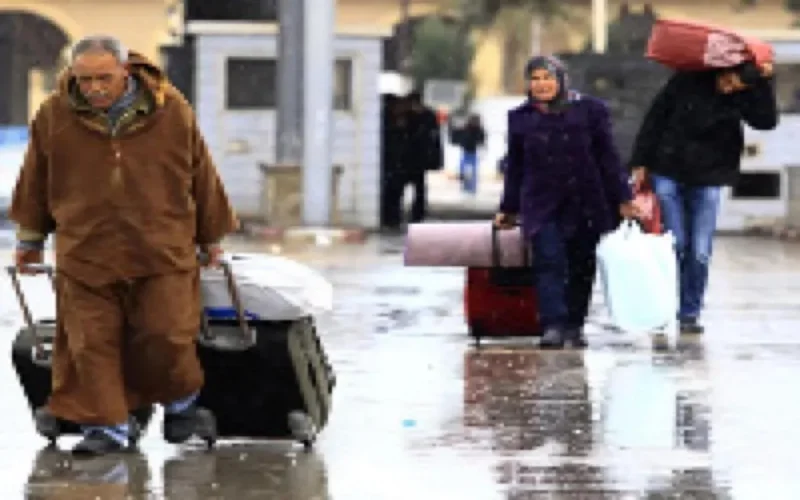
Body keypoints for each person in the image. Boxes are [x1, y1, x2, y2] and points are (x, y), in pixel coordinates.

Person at [9, 35, 239, 456]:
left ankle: (180, 401)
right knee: (90, 342)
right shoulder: (55, 115)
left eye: (104, 79)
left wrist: (210, 236)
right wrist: (29, 240)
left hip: (161, 248)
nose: (94, 88)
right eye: (85, 80)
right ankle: (109, 428)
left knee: (165, 333)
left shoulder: (171, 110)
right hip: (86, 251)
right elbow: (36, 178)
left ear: (125, 72)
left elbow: (200, 173)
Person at [494, 55, 639, 349]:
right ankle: (552, 324)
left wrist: (623, 197)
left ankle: (574, 324)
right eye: (535, 79)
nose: (541, 84)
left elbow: (608, 158)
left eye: (547, 77)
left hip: (586, 200)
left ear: (561, 80)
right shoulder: (521, 118)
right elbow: (516, 166)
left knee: (581, 265)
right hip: (541, 203)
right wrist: (508, 208)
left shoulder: (591, 111)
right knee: (549, 260)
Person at [629, 61, 777, 334]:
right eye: (728, 81)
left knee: (699, 250)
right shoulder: (687, 80)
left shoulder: (744, 95)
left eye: (737, 87)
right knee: (674, 244)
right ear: (723, 70)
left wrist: (764, 85)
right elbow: (656, 118)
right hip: (668, 169)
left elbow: (767, 122)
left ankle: (689, 313)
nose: (729, 88)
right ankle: (663, 309)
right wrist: (640, 162)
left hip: (710, 175)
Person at [453, 113, 486, 194]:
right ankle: (467, 185)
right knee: (465, 169)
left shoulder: (478, 129)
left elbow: (481, 140)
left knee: (472, 170)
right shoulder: (466, 128)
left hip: (473, 152)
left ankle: (471, 186)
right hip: (467, 151)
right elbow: (457, 137)